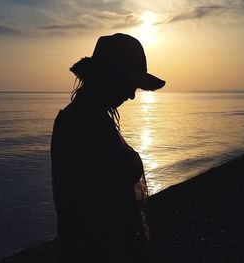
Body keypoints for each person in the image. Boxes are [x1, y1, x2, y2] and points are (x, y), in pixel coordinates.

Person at [51, 33, 165, 263]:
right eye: (129, 83)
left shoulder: (90, 118)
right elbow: (92, 208)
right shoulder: (82, 122)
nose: (132, 95)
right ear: (109, 77)